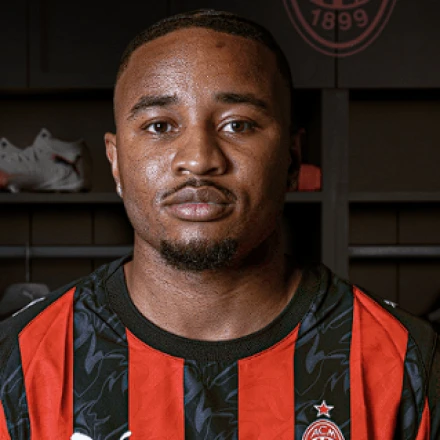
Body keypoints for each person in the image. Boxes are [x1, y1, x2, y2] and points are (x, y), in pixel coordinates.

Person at [0, 9, 438, 440]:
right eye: (159, 126)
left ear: (292, 160)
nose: (199, 159)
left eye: (237, 125)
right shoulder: (19, 359)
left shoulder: (405, 361)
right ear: (116, 163)